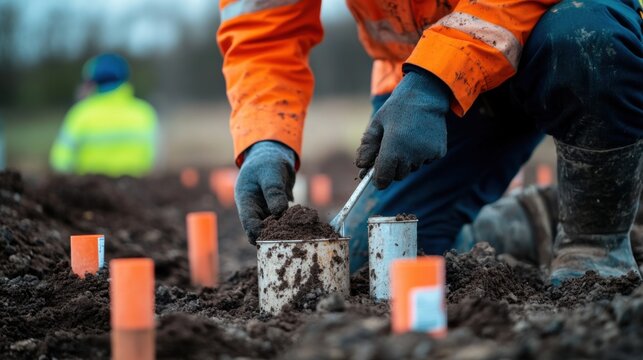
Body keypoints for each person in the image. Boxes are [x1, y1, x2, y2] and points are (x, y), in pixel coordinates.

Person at [217, 0, 643, 285]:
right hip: (416, 85)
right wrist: (265, 139)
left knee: (590, 41)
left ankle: (595, 243)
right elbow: (263, 26)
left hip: (548, 33)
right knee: (374, 264)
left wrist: (437, 77)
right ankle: (530, 222)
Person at [50, 53, 158, 177]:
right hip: (137, 192)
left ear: (91, 81)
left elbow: (60, 163)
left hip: (91, 193)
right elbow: (155, 162)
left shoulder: (80, 115)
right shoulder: (145, 113)